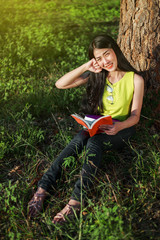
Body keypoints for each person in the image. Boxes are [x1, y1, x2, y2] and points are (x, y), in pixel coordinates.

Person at [28, 35, 144, 224]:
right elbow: (60, 84)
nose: (105, 61)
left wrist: (118, 126)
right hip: (99, 125)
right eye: (99, 58)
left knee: (94, 142)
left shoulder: (135, 79)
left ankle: (75, 201)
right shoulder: (98, 76)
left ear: (115, 50)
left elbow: (135, 116)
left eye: (107, 54)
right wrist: (86, 67)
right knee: (80, 139)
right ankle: (43, 188)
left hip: (122, 129)